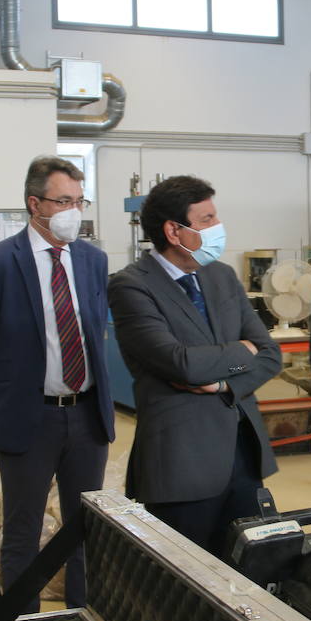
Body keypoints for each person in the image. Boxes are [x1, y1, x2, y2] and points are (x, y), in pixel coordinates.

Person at [0, 155, 114, 611]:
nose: (73, 210)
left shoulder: (91, 261)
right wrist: (12, 393)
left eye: (78, 200)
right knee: (22, 530)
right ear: (34, 204)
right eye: (63, 200)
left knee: (85, 526)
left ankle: (84, 619)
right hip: (29, 419)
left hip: (86, 415)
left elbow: (93, 330)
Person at [107, 175, 281, 553]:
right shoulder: (132, 286)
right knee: (184, 584)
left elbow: (269, 353)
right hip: (181, 462)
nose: (218, 228)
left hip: (242, 454)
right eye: (206, 220)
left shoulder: (221, 276)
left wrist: (223, 384)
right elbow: (181, 364)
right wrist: (241, 351)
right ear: (174, 230)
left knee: (250, 572)